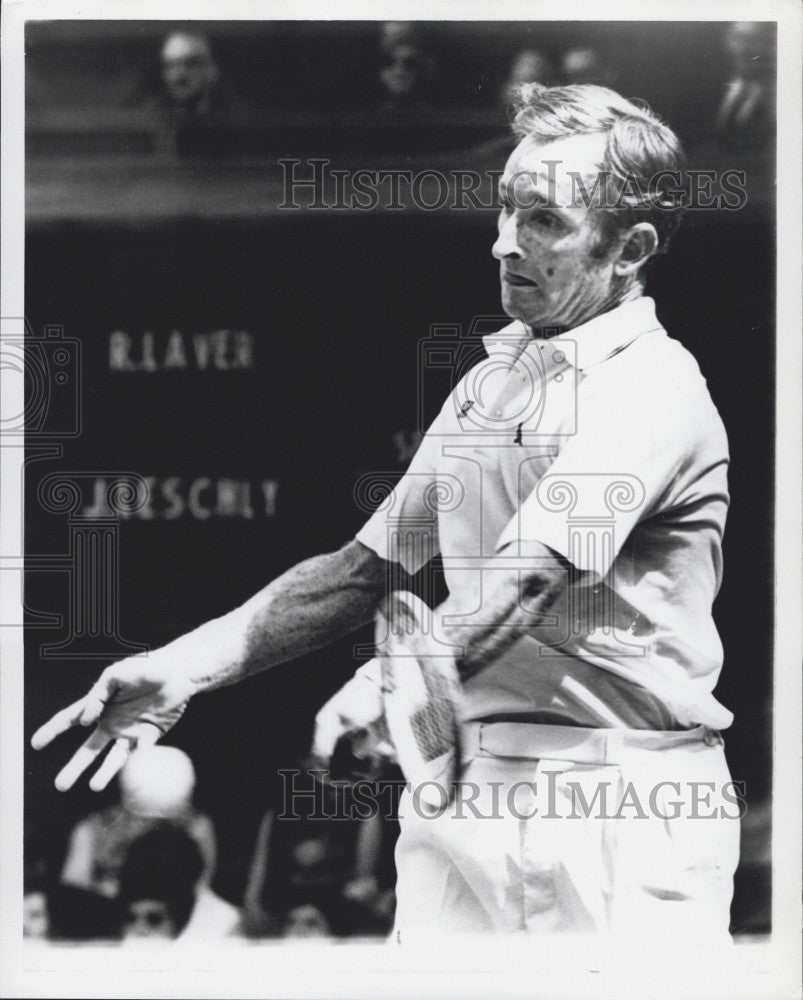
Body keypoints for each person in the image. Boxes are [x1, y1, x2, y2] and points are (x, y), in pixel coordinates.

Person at [32, 83, 738, 940]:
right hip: (459, 790)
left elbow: (527, 581)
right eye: (505, 210)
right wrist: (185, 666)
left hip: (618, 804)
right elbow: (361, 573)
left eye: (543, 220)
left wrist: (387, 683)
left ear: (629, 248)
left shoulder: (654, 390)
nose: (503, 244)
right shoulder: (490, 382)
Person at [60, 745, 216, 898]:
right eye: (143, 818)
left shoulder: (197, 827)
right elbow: (74, 894)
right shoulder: (93, 830)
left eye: (167, 819)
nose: (153, 826)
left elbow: (201, 891)